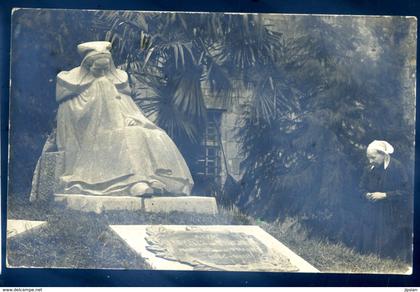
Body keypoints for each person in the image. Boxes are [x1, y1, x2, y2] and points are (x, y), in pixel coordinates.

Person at [31, 41, 193, 199]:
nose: (102, 72)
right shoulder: (75, 89)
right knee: (131, 136)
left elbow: (128, 108)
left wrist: (133, 118)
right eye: (98, 68)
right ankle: (136, 181)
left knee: (153, 134)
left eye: (105, 68)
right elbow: (76, 123)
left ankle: (158, 179)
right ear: (88, 66)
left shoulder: (114, 83)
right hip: (93, 135)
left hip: (120, 126)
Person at [359, 140, 412, 262]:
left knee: (386, 244)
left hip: (391, 212)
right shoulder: (369, 168)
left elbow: (406, 192)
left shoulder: (397, 167)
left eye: (373, 157)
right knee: (368, 238)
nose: (370, 161)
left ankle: (386, 259)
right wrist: (366, 194)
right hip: (371, 210)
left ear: (383, 154)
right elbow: (361, 187)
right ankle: (367, 257)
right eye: (368, 158)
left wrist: (385, 195)